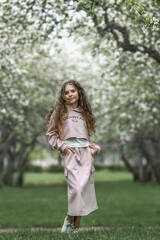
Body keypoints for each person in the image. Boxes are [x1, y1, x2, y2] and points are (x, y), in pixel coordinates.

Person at [46, 80, 101, 233]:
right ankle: (69, 219)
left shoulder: (85, 113)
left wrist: (94, 149)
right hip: (71, 153)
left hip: (86, 154)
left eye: (73, 91)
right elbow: (51, 134)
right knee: (75, 189)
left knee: (82, 190)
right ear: (63, 96)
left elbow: (87, 138)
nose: (70, 94)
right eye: (66, 92)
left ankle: (75, 228)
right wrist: (63, 147)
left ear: (79, 92)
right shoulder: (59, 112)